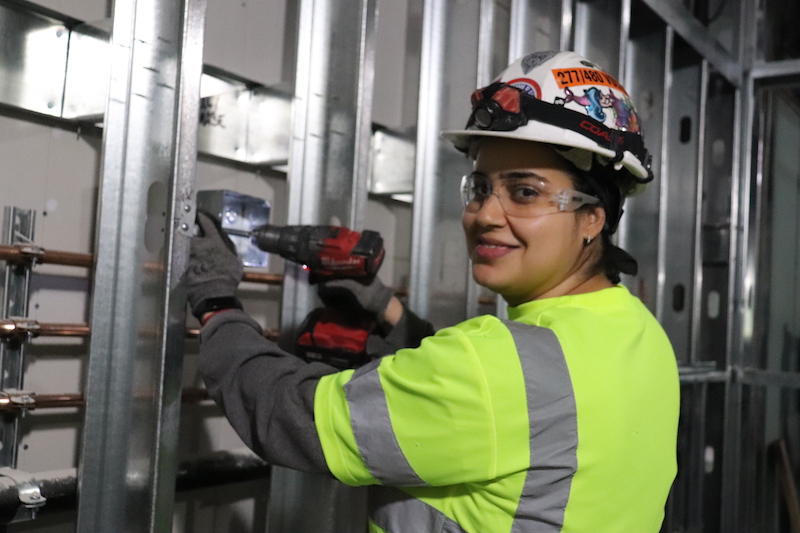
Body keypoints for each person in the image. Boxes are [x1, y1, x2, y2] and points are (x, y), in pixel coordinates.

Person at [188, 51, 679, 533]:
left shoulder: (496, 370)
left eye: (524, 192)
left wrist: (217, 305)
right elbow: (507, 412)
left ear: (593, 215)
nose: (486, 214)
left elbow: (292, 418)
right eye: (482, 187)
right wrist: (387, 309)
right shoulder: (642, 337)